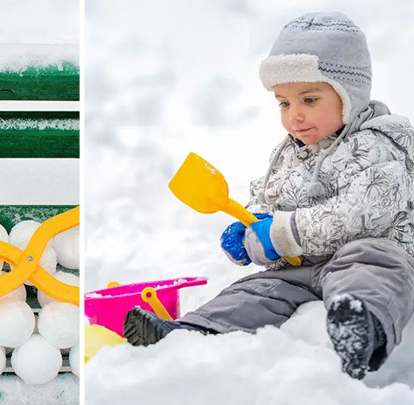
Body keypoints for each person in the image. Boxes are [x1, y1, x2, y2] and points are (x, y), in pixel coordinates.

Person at [123, 11, 414, 380]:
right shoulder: (291, 151)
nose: (294, 116)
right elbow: (270, 200)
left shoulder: (376, 145)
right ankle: (191, 334)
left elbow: (360, 214)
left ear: (349, 95)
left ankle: (362, 326)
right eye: (284, 103)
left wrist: (282, 233)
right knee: (255, 289)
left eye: (309, 100)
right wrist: (249, 227)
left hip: (367, 251)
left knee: (375, 264)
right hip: (300, 267)